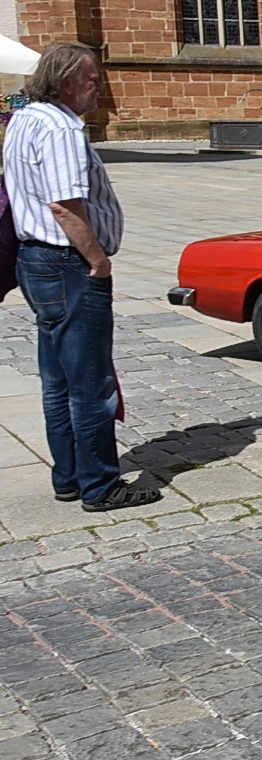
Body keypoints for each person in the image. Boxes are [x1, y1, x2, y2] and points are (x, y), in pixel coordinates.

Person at [3, 43, 163, 513]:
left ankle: (69, 476)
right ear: (67, 81)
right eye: (92, 78)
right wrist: (97, 260)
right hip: (65, 263)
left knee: (58, 380)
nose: (99, 85)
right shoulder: (60, 128)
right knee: (90, 383)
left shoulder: (24, 119)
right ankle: (100, 485)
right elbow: (64, 204)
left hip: (36, 260)